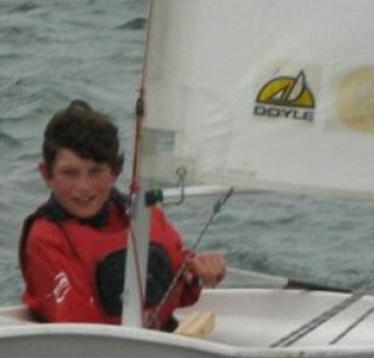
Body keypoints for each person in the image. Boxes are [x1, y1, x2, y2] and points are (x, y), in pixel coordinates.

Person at [19, 100, 226, 330]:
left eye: (96, 172)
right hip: (96, 357)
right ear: (46, 174)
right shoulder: (46, 238)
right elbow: (81, 331)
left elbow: (182, 284)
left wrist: (202, 271)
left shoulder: (143, 217)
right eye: (70, 173)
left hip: (157, 346)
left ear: (115, 171)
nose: (83, 186)